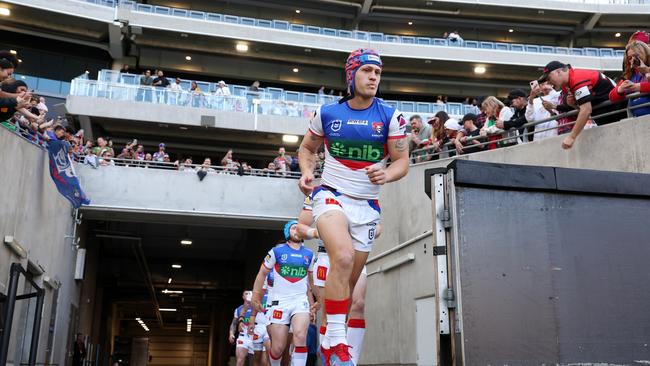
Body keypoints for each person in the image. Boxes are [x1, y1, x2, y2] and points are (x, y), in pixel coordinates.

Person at [297, 48, 409, 366]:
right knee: (342, 257)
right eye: (367, 71)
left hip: (368, 207)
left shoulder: (391, 116)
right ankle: (336, 338)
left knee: (347, 283)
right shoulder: (328, 113)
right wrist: (307, 171)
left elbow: (402, 162)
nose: (373, 77)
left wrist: (385, 173)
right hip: (331, 196)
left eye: (377, 72)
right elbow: (306, 148)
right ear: (351, 75)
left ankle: (333, 340)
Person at [296, 196, 380, 366]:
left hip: (356, 253)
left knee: (358, 304)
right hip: (328, 256)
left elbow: (377, 226)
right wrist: (317, 231)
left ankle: (350, 361)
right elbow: (300, 227)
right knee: (330, 315)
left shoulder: (364, 190)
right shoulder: (318, 193)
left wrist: (370, 231)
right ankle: (329, 357)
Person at [250, 221, 315, 366]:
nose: (296, 229)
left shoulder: (310, 254)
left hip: (300, 302)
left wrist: (318, 302)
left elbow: (311, 283)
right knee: (278, 348)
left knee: (300, 336)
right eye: (293, 227)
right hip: (279, 303)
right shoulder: (276, 252)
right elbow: (262, 274)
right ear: (287, 232)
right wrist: (255, 295)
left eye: (299, 227)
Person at [537, 61, 623, 149]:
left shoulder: (577, 78)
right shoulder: (566, 85)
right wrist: (573, 105)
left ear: (558, 72)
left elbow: (586, 110)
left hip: (618, 115)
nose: (549, 82)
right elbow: (583, 109)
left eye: (549, 78)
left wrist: (572, 137)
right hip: (605, 117)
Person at [609, 41, 650, 118]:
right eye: (630, 58)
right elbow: (611, 96)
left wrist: (639, 87)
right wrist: (620, 89)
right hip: (637, 119)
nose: (633, 60)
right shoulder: (630, 74)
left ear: (644, 53)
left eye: (636, 56)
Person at [230, 291, 254, 366]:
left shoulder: (256, 307)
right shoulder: (238, 309)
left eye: (250, 293)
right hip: (243, 337)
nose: (248, 295)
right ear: (243, 297)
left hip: (255, 336)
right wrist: (231, 334)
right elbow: (234, 323)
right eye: (246, 293)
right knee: (239, 361)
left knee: (253, 363)